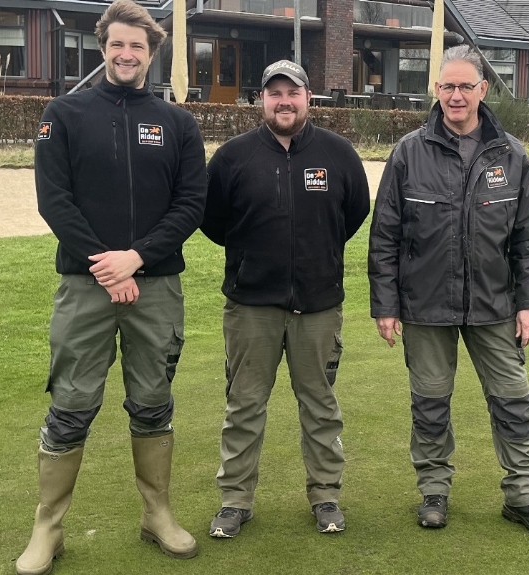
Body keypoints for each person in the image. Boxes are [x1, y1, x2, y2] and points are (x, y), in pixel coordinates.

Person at [16, 1, 207, 573]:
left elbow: (191, 203)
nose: (128, 55)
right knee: (72, 406)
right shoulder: (65, 113)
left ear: (152, 53)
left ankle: (157, 515)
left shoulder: (178, 122)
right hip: (86, 285)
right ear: (104, 47)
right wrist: (107, 266)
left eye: (139, 47)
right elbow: (55, 200)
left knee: (152, 403)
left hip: (157, 286)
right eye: (119, 45)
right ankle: (47, 529)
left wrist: (137, 258)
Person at [368, 45, 529, 537]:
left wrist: (528, 301)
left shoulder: (511, 154)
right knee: (430, 403)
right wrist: (385, 307)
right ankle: (434, 492)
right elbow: (385, 236)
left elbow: (527, 237)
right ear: (436, 91)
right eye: (447, 86)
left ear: (482, 89)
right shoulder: (409, 151)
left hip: (495, 304)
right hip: (424, 305)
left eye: (465, 86)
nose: (456, 96)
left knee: (513, 400)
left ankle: (523, 495)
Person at [201, 60, 370, 538]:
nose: (284, 102)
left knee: (319, 405)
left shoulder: (338, 154)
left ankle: (326, 496)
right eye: (274, 93)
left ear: (307, 98)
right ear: (261, 100)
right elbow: (212, 221)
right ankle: (235, 500)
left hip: (318, 305)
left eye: (292, 93)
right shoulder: (233, 157)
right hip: (251, 305)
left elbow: (354, 214)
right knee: (244, 405)